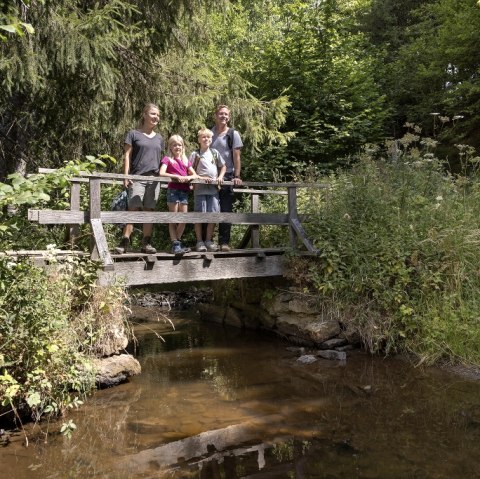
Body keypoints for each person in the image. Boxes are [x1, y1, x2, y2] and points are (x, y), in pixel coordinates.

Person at [115, 103, 164, 254]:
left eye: (158, 115)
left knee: (149, 210)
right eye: (153, 114)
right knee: (133, 208)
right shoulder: (133, 134)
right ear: (144, 115)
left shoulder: (159, 138)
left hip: (154, 179)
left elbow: (159, 159)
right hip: (137, 177)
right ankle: (124, 241)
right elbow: (127, 156)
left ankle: (146, 243)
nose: (156, 117)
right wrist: (126, 175)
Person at [211, 104, 243, 252]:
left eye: (226, 114)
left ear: (229, 117)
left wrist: (237, 176)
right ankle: (207, 241)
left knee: (225, 209)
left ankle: (224, 242)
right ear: (215, 116)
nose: (223, 116)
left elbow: (237, 157)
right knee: (209, 208)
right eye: (221, 114)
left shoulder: (233, 134)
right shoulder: (210, 133)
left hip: (228, 175)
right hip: (211, 176)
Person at [159, 134, 198, 254]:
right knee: (173, 218)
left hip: (184, 191)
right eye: (174, 145)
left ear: (183, 147)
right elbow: (161, 173)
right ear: (170, 147)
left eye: (179, 145)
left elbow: (194, 175)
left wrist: (187, 178)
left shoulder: (186, 161)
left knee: (183, 218)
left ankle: (177, 242)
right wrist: (175, 176)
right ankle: (175, 243)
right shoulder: (167, 159)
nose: (177, 147)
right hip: (173, 190)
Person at [190, 128, 226, 252]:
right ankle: (199, 241)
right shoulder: (195, 154)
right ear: (199, 139)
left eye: (209, 137)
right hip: (199, 189)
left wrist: (220, 177)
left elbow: (223, 166)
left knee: (214, 214)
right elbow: (189, 169)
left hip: (213, 189)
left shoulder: (215, 153)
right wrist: (200, 177)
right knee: (199, 215)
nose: (207, 139)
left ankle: (208, 241)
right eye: (204, 137)